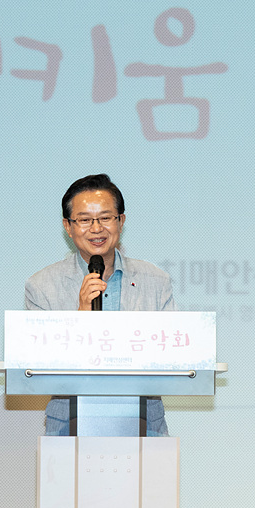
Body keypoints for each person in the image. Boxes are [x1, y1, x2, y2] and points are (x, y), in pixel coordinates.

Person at [24, 174, 175, 436]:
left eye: (105, 218)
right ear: (68, 226)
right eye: (84, 220)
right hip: (68, 428)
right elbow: (37, 367)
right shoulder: (41, 286)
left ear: (121, 221)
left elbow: (172, 356)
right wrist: (81, 316)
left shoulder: (156, 281)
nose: (96, 229)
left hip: (144, 427)